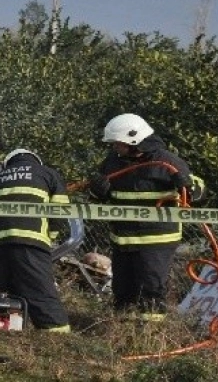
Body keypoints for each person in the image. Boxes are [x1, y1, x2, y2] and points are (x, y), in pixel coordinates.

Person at [88, 113, 205, 321]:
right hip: (122, 240)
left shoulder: (167, 162)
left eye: (119, 143)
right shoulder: (112, 163)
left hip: (156, 241)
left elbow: (198, 194)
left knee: (150, 291)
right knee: (122, 292)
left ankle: (150, 335)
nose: (115, 147)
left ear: (134, 140)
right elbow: (97, 201)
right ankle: (121, 332)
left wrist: (188, 185)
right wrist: (98, 192)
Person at [0, 149, 72, 332]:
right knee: (40, 294)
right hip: (29, 240)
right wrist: (49, 239)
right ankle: (58, 340)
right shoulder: (48, 173)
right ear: (36, 161)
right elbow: (60, 213)